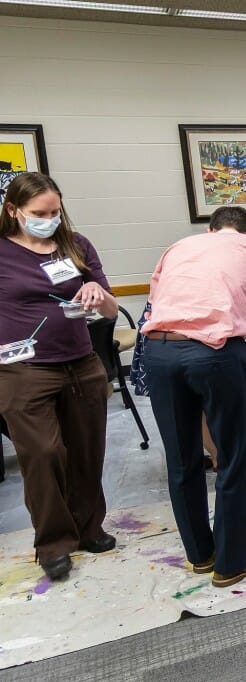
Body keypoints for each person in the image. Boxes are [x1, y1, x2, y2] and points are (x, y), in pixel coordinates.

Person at [142, 205, 246, 588]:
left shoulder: (177, 247)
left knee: (181, 459)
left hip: (158, 352)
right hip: (218, 355)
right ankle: (232, 562)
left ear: (210, 229)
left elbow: (157, 299)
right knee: (235, 458)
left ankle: (201, 555)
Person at [0, 172, 119, 580]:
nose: (49, 219)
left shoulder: (76, 245)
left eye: (55, 211)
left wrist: (97, 295)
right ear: (13, 211)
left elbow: (110, 310)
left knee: (87, 451)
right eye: (39, 213)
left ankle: (89, 529)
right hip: (24, 370)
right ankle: (53, 542)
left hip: (81, 363)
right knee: (44, 453)